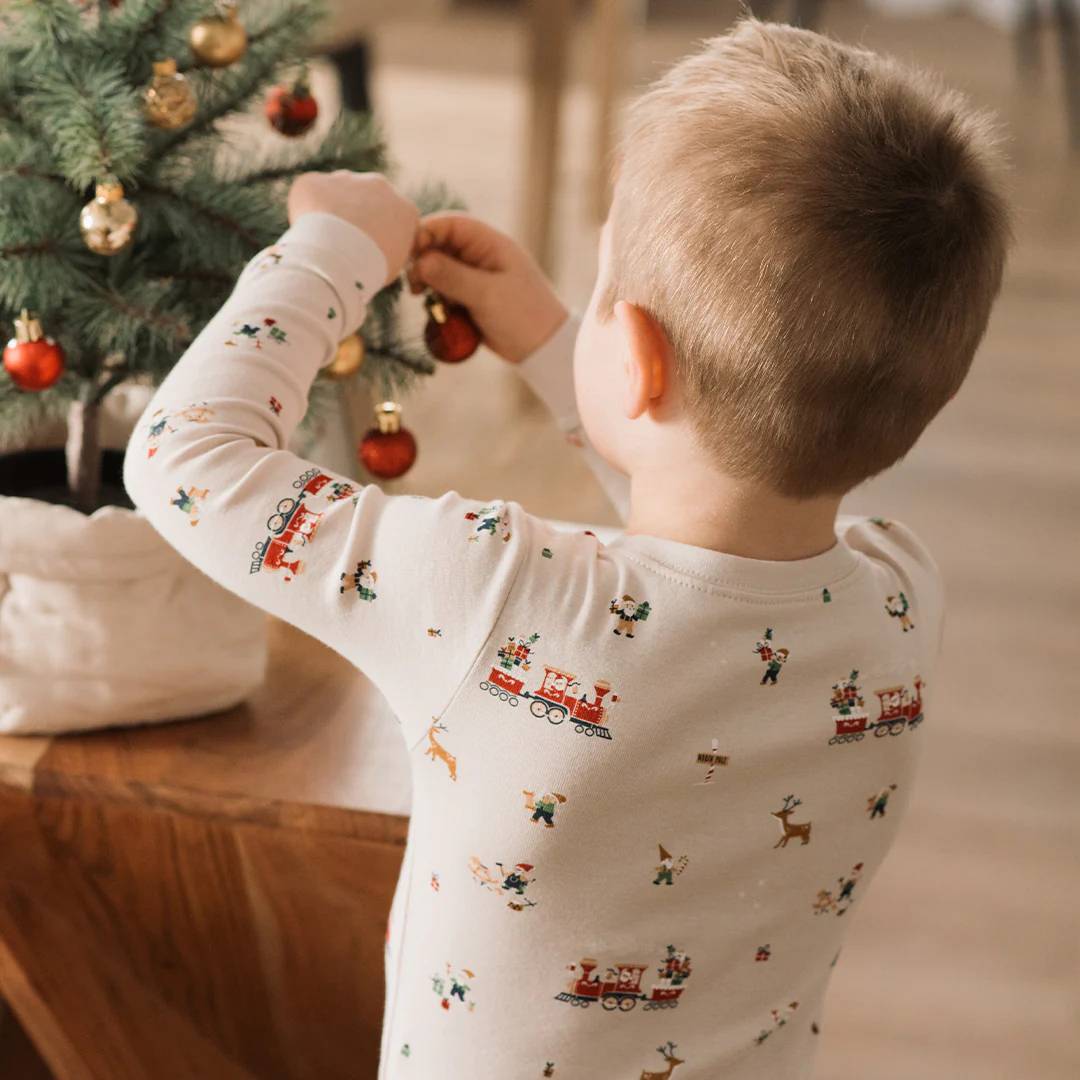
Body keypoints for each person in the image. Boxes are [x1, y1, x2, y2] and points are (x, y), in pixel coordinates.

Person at [124, 16, 1009, 1078]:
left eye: (600, 296)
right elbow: (718, 525)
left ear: (635, 359)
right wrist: (552, 336)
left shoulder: (496, 594)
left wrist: (332, 246)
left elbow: (189, 459)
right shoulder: (905, 598)